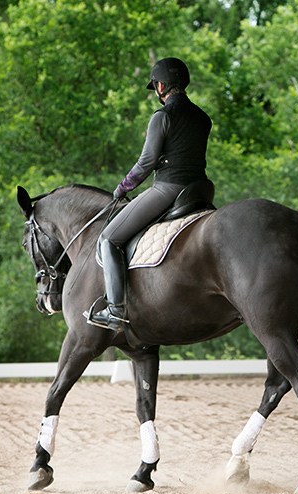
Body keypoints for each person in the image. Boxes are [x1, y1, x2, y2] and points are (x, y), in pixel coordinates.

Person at [86, 57, 213, 331]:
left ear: (160, 86)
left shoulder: (162, 117)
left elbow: (146, 163)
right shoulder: (203, 118)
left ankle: (115, 309)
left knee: (108, 238)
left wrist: (122, 187)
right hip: (199, 190)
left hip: (167, 189)